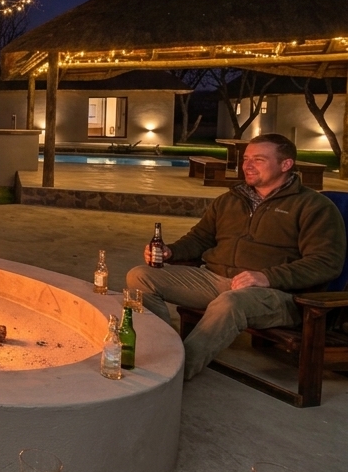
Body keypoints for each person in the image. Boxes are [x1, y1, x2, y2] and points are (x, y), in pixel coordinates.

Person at [125, 133, 345, 381]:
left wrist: (266, 277)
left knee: (231, 303)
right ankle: (164, 351)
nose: (247, 165)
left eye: (258, 159)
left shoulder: (313, 207)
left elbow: (326, 262)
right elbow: (200, 238)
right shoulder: (230, 200)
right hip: (216, 280)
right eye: (246, 158)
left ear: (286, 165)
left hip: (278, 295)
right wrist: (171, 251)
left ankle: (172, 376)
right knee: (141, 276)